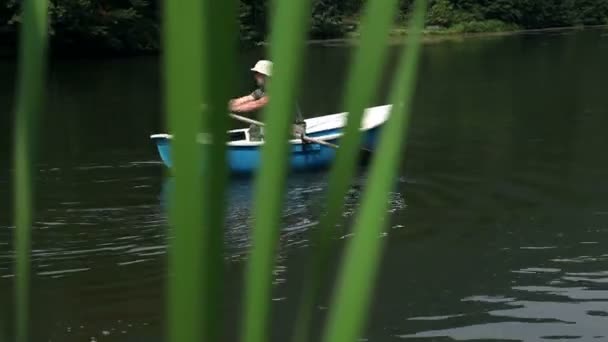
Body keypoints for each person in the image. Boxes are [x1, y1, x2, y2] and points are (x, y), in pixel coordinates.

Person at [228, 60, 306, 141]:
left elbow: (256, 104)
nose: (255, 76)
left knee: (255, 129)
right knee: (256, 128)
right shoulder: (262, 90)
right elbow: (244, 100)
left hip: (296, 129)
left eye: (258, 74)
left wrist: (233, 109)